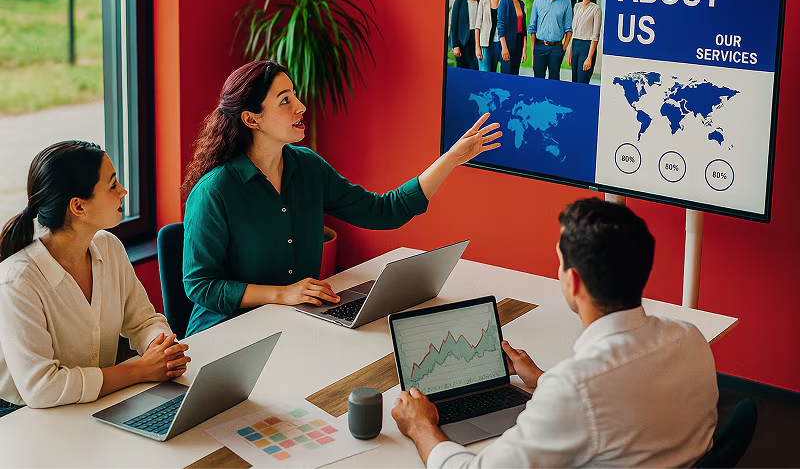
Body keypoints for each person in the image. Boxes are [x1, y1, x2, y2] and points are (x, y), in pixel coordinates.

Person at [180, 61, 502, 336]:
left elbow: (384, 211)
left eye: (295, 95)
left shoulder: (307, 167)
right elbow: (200, 286)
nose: (300, 106)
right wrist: (283, 294)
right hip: (225, 335)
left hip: (291, 326)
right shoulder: (214, 192)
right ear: (252, 119)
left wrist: (451, 159)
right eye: (284, 101)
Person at [392, 198, 719, 468]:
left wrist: (421, 426)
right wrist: (541, 379)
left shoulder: (575, 389)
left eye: (560, 262)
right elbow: (622, 397)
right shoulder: (689, 338)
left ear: (573, 281)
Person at [0, 141, 190, 417]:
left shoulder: (109, 247)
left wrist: (160, 349)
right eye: (112, 185)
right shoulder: (17, 282)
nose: (123, 191)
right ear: (78, 206)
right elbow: (42, 388)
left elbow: (142, 321)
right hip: (25, 418)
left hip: (96, 404)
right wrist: (141, 369)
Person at [528, 0, 573, 80]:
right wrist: (533, 50)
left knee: (554, 81)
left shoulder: (566, 2)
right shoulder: (537, 1)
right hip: (539, 47)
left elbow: (569, 28)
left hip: (556, 49)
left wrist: (563, 47)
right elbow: (532, 27)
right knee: (538, 80)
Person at [568, 0, 602, 84]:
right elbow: (574, 32)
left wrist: (589, 57)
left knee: (582, 83)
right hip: (575, 47)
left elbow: (595, 35)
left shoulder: (596, 9)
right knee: (574, 83)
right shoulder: (576, 6)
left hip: (587, 48)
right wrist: (571, 53)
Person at [449, 0, 485, 71]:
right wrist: (455, 45)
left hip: (477, 40)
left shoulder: (481, 1)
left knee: (475, 69)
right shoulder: (460, 1)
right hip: (462, 41)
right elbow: (454, 25)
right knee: (462, 70)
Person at [496, 0, 527, 75]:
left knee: (515, 74)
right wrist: (504, 47)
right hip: (507, 44)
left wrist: (524, 49)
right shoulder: (504, 2)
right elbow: (501, 26)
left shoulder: (521, 4)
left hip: (518, 44)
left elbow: (523, 29)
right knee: (506, 75)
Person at [475, 0, 503, 73]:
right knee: (484, 72)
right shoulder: (483, 2)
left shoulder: (503, 2)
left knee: (494, 73)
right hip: (485, 44)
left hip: (498, 43)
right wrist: (477, 47)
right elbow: (477, 26)